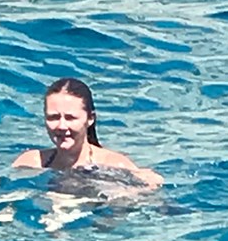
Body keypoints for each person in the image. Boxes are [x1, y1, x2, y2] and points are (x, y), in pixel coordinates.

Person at [12, 78, 162, 186]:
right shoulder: (31, 162)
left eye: (70, 118)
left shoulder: (114, 164)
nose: (61, 126)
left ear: (90, 118)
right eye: (53, 117)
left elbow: (151, 187)